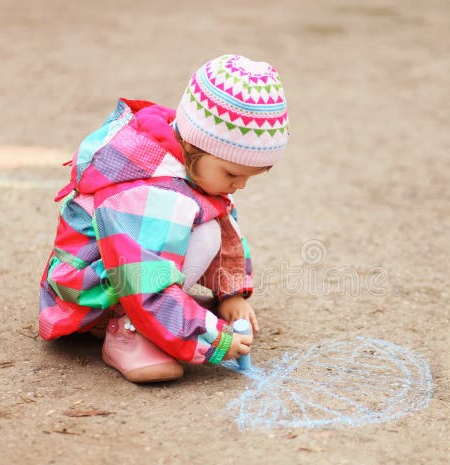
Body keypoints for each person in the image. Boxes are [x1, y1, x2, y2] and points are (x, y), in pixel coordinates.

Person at [38, 54, 289, 383]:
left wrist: (231, 294)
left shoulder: (184, 161)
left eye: (249, 177)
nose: (240, 185)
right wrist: (211, 339)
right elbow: (142, 278)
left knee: (210, 225)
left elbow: (225, 228)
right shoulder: (146, 193)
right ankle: (127, 330)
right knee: (203, 233)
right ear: (195, 144)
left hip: (125, 276)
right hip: (89, 293)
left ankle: (159, 319)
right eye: (232, 172)